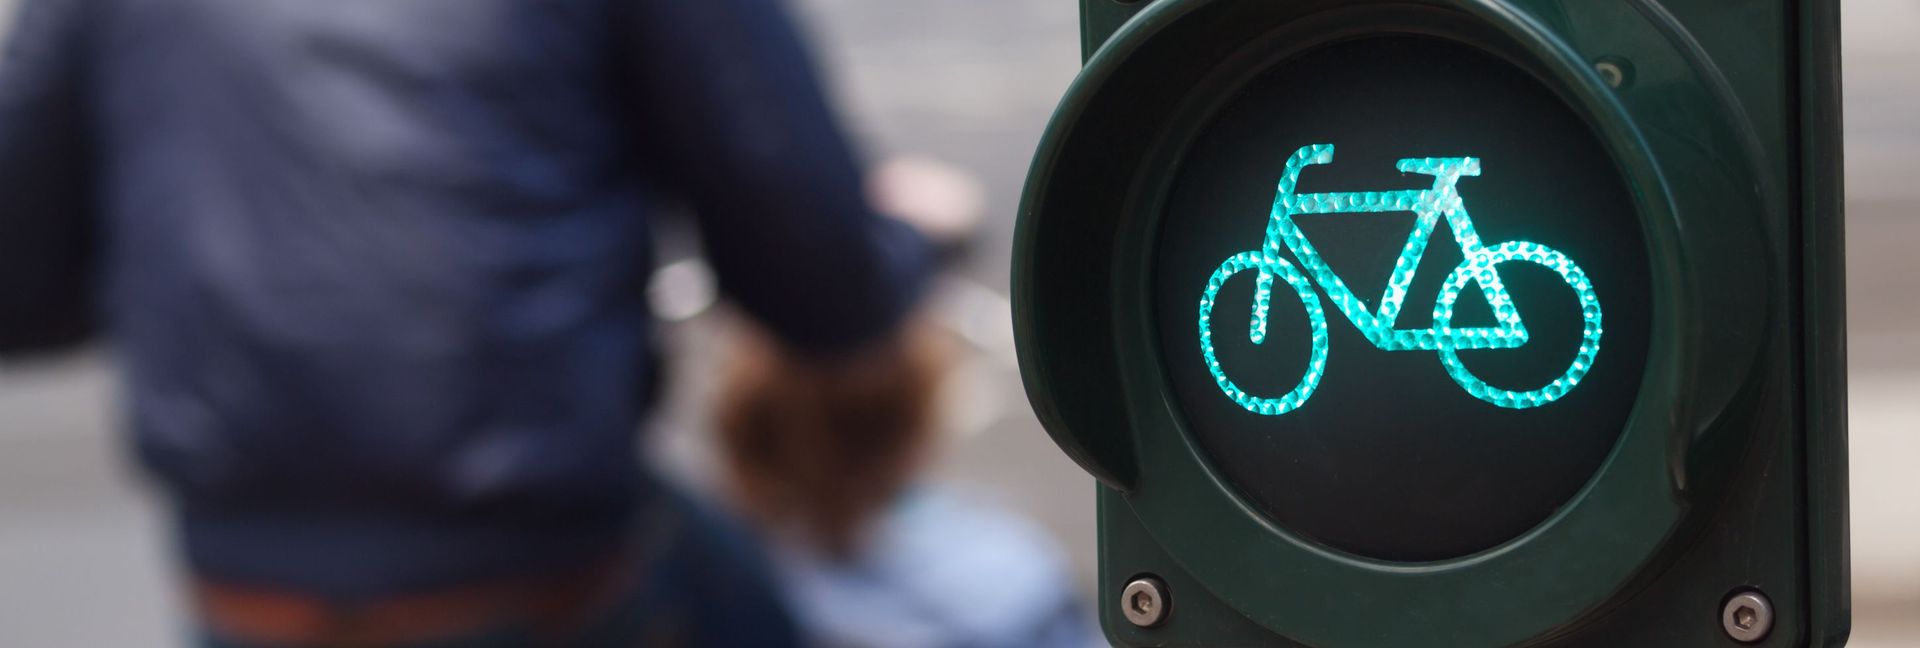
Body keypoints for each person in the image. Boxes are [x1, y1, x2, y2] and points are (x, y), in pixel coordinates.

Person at [0, 0, 932, 645]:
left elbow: (18, 280)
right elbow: (819, 283)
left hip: (250, 582)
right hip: (531, 561)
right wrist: (917, 239)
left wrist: (175, 251)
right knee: (764, 611)